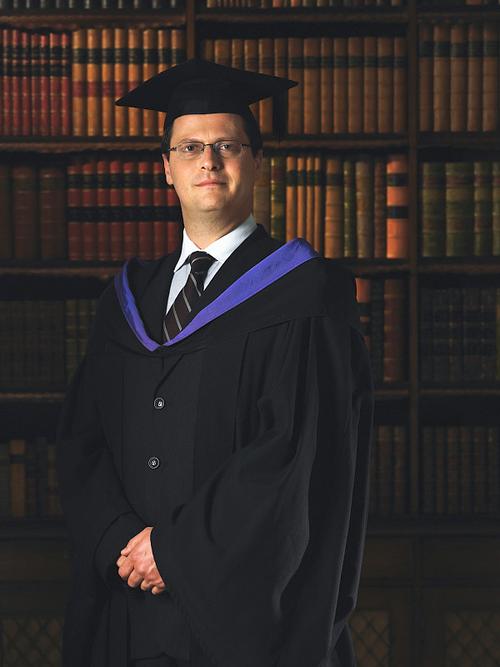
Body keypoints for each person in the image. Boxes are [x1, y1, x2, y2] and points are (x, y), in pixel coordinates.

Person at [56, 58, 374, 667]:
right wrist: (120, 540)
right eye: (191, 147)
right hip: (129, 614)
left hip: (244, 626)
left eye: (227, 145)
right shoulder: (126, 301)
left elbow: (294, 457)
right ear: (167, 169)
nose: (209, 161)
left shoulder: (307, 296)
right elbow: (82, 443)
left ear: (257, 162)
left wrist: (173, 552)